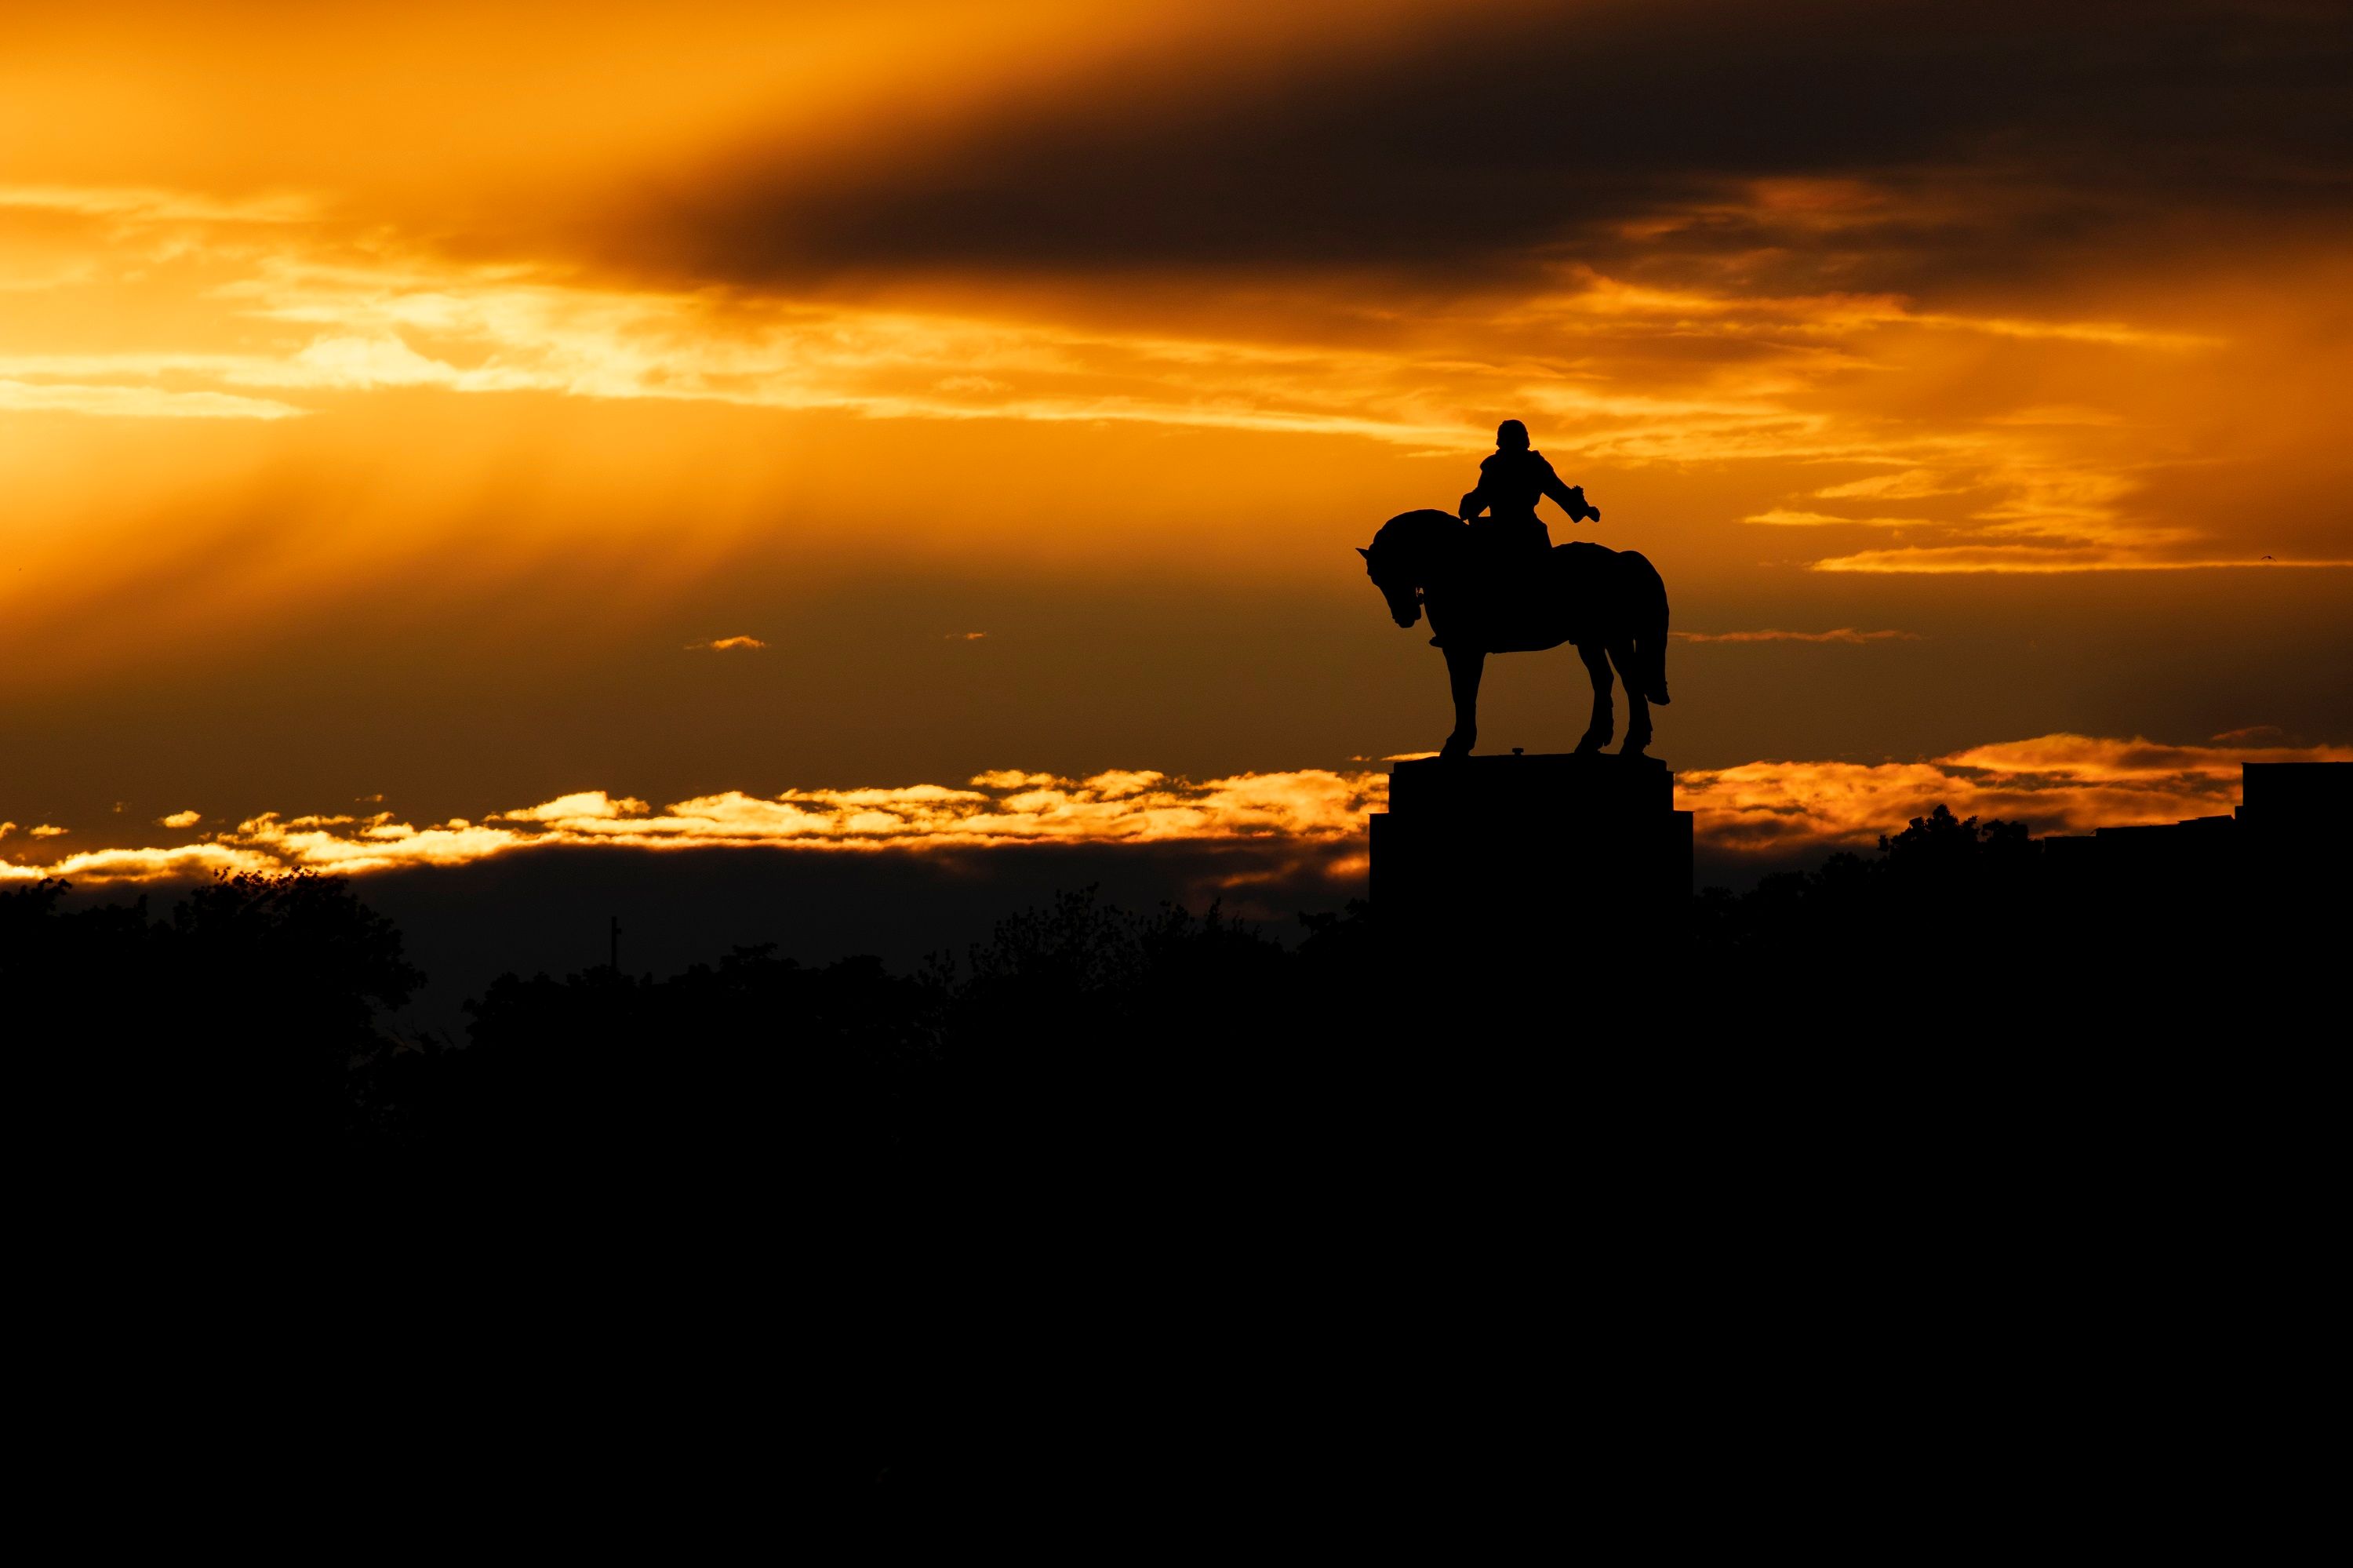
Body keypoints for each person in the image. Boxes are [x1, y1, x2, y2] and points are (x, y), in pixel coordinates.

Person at [1457, 420, 1599, 560]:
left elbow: (1479, 498)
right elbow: (1559, 491)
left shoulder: (1497, 465)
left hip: (1505, 532)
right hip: (1526, 531)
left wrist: (1468, 507)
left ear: (1501, 441)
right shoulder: (1532, 464)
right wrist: (1584, 509)